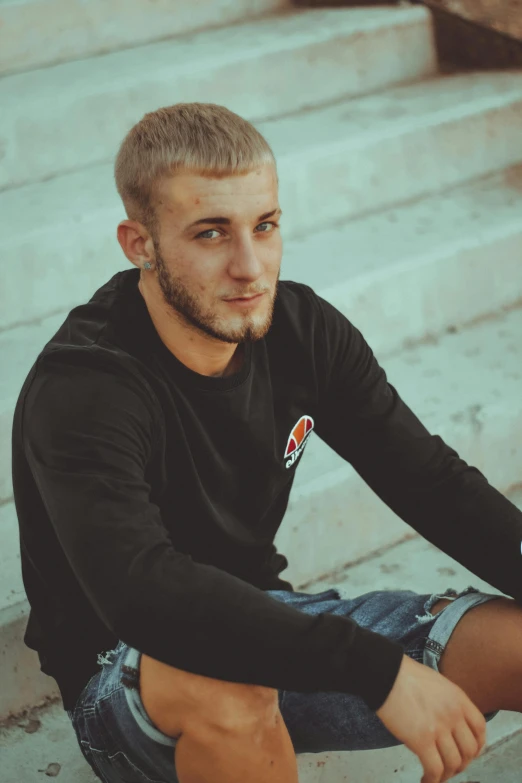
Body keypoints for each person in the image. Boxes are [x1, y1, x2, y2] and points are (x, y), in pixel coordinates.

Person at [11, 102, 522, 783]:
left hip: (270, 620)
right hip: (129, 676)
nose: (251, 267)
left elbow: (430, 482)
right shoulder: (86, 385)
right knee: (233, 690)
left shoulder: (304, 332)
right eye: (211, 233)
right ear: (139, 243)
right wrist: (372, 666)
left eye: (266, 225)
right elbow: (143, 592)